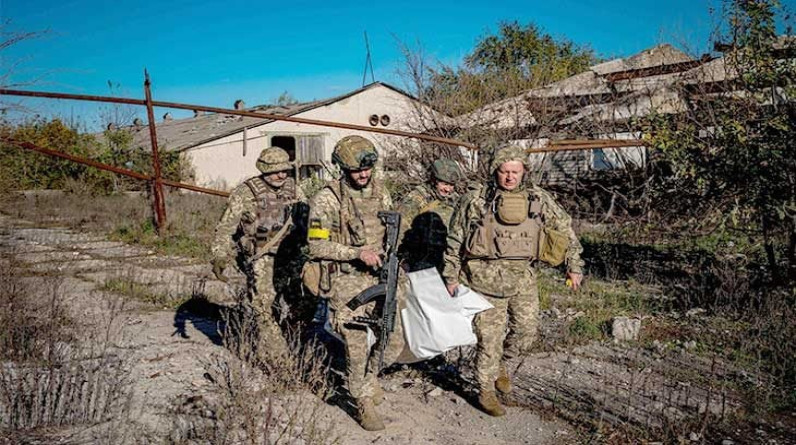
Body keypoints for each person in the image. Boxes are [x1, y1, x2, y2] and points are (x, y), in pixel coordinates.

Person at [442, 145, 584, 417]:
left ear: (524, 172)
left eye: (515, 172)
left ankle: (502, 365)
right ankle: (485, 391)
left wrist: (574, 265)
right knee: (489, 338)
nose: (509, 177)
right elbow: (454, 239)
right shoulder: (475, 201)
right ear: (495, 171)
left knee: (527, 331)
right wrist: (450, 276)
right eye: (504, 171)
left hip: (523, 278)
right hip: (484, 278)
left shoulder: (538, 198)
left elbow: (564, 229)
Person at [305, 135, 405, 431]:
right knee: (357, 343)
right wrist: (356, 253)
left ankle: (369, 379)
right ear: (342, 169)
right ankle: (359, 399)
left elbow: (390, 232)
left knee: (393, 338)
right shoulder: (327, 198)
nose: (363, 175)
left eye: (367, 169)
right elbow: (316, 245)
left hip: (380, 276)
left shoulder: (380, 191)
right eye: (356, 171)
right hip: (347, 278)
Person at [210, 146, 307, 360]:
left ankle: (294, 343)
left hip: (293, 257)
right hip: (263, 259)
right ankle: (276, 359)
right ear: (263, 169)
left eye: (285, 170)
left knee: (303, 304)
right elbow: (226, 227)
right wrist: (219, 256)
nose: (282, 175)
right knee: (264, 308)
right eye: (275, 170)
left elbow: (311, 220)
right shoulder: (245, 192)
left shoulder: (294, 189)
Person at [397, 158, 462, 273]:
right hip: (419, 260)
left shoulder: (455, 200)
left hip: (445, 258)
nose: (448, 189)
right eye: (444, 184)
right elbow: (401, 229)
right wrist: (403, 259)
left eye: (451, 185)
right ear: (434, 180)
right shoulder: (417, 199)